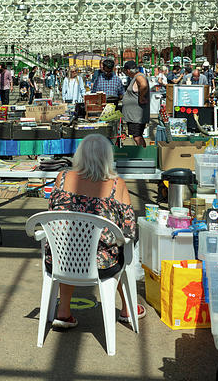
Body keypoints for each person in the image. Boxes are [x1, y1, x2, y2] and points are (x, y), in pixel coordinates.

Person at [46, 134, 142, 329]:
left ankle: (63, 310)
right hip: (100, 264)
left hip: (60, 260)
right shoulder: (117, 184)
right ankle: (127, 308)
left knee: (69, 244)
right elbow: (129, 228)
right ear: (108, 157)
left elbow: (52, 213)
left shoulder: (62, 178)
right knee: (125, 250)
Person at [122, 61, 150, 147]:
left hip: (136, 116)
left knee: (137, 137)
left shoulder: (139, 76)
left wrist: (141, 98)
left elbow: (144, 85)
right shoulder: (136, 77)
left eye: (126, 71)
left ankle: (143, 154)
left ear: (128, 70)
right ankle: (143, 153)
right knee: (138, 136)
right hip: (134, 116)